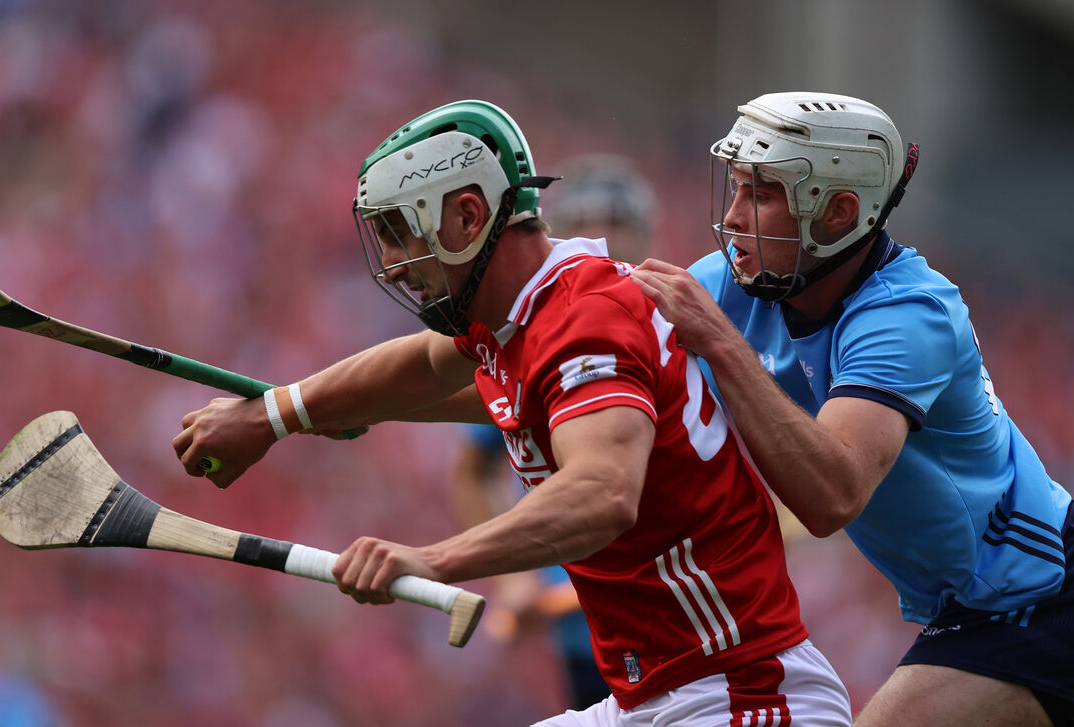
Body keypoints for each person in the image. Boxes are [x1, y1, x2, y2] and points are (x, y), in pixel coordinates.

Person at [173, 99, 852, 726]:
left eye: (399, 233)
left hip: (739, 693)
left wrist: (433, 559)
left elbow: (603, 493)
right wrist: (272, 416)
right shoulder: (521, 314)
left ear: (469, 218)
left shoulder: (582, 323)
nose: (393, 265)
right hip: (659, 697)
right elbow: (421, 365)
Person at [630, 91, 1074, 727]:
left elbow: (832, 496)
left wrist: (721, 344)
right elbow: (597, 360)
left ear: (838, 213)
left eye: (761, 194)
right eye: (736, 187)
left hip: (1038, 589)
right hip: (979, 600)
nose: (731, 217)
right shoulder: (744, 278)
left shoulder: (906, 315)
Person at [448, 154, 656, 711]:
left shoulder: (678, 334)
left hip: (678, 620)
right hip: (587, 633)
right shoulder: (532, 345)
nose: (604, 237)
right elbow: (471, 470)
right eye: (587, 224)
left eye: (617, 223)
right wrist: (516, 580)